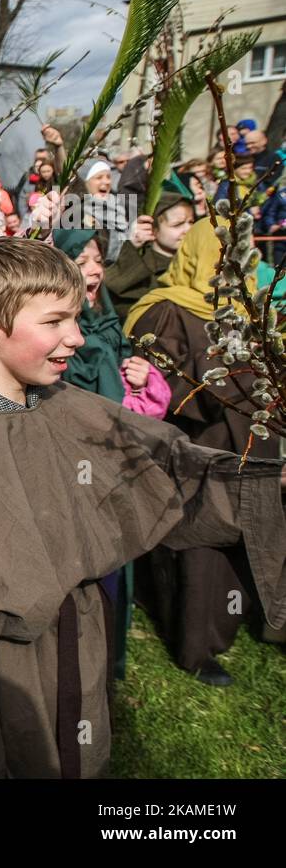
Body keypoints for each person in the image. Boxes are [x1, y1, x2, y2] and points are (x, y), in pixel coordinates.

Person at [0, 238, 286, 777]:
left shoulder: (66, 407)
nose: (76, 339)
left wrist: (271, 481)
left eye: (77, 319)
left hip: (76, 642)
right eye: (55, 321)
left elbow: (165, 466)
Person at [123, 218, 281, 686]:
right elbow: (159, 384)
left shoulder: (253, 307)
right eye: (220, 255)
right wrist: (218, 379)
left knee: (253, 533)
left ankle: (248, 616)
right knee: (201, 542)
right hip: (199, 449)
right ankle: (197, 644)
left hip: (256, 443)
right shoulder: (169, 310)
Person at [54, 227, 172, 679]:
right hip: (78, 458)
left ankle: (108, 655)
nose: (95, 269)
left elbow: (120, 378)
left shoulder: (107, 319)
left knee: (113, 555)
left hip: (116, 454)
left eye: (98, 258)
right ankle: (73, 658)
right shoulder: (62, 326)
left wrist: (140, 377)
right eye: (82, 259)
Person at [103, 192, 193, 321]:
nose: (188, 229)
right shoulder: (141, 267)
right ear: (153, 229)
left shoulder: (196, 259)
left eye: (191, 222)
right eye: (177, 224)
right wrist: (131, 246)